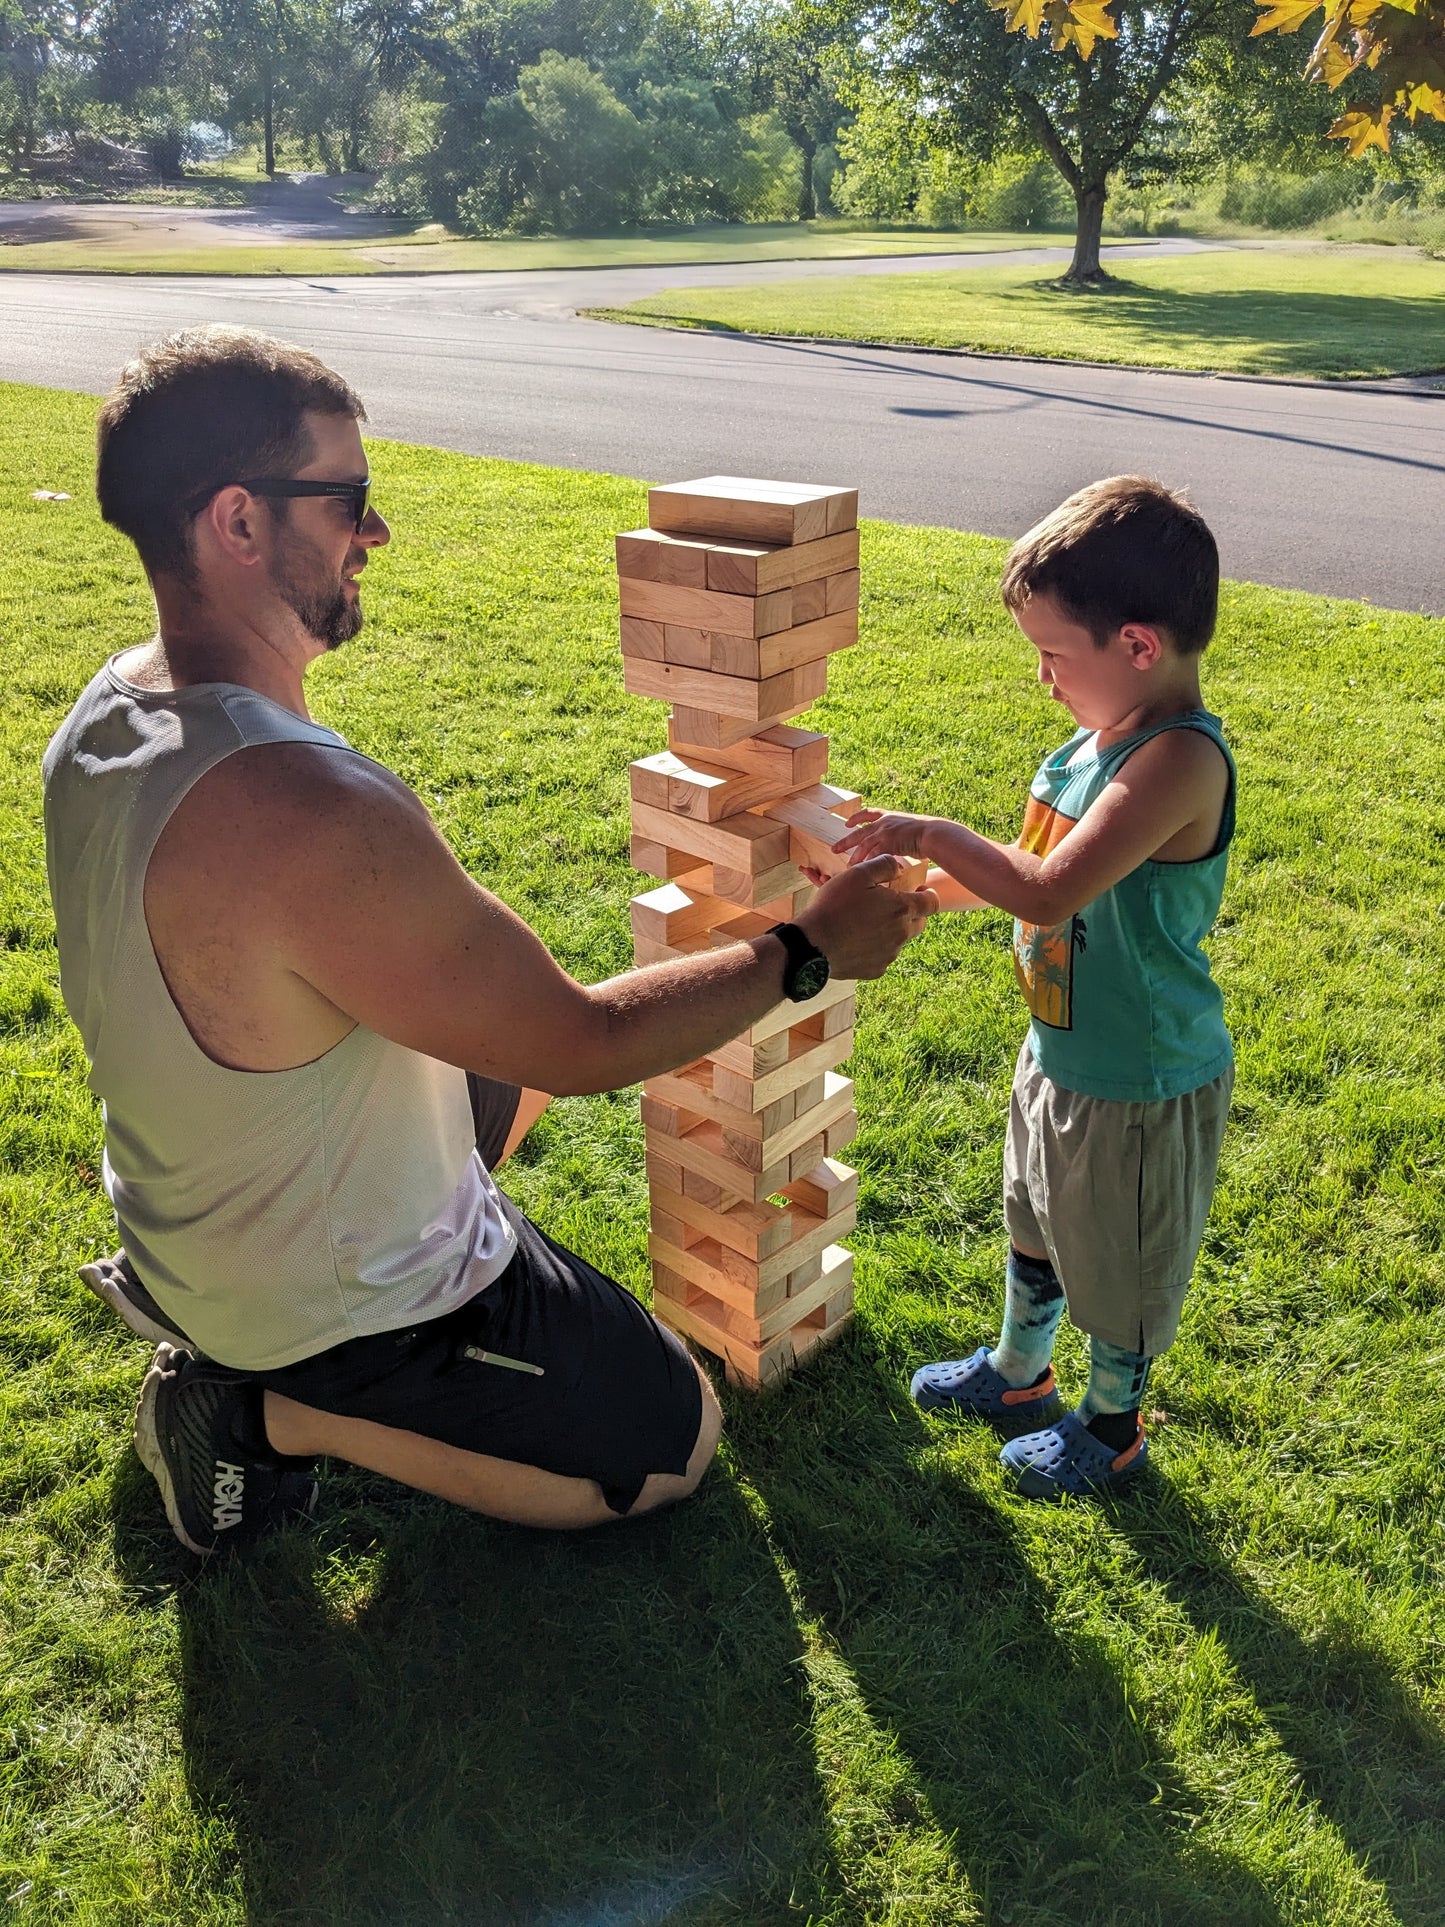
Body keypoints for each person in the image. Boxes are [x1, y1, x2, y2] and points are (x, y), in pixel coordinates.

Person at [43, 323, 933, 1556]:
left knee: (492, 1027)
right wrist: (809, 948)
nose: (377, 531)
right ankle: (263, 1407)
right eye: (347, 498)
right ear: (237, 524)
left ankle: (233, 1326)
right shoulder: (302, 810)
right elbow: (575, 1044)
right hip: (315, 1291)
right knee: (669, 1441)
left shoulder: (111, 707)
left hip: (196, 1204)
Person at [836, 477, 1235, 1499]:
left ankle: (1111, 1426)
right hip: (1056, 1046)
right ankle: (1018, 1372)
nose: (1045, 678)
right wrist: (927, 892)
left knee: (1119, 1263)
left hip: (1135, 1076)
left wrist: (929, 836)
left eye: (1055, 656)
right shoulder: (1089, 740)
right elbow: (1028, 854)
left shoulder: (1175, 763)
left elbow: (1050, 885)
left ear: (1137, 647)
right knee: (1032, 1213)